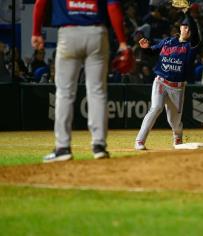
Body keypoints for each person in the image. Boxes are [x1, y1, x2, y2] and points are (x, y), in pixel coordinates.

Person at [32, 0, 130, 162]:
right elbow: (113, 7)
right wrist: (122, 42)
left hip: (68, 34)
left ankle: (63, 147)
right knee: (97, 92)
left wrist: (36, 31)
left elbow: (40, 3)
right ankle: (99, 145)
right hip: (97, 33)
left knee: (64, 93)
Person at [134, 6, 201, 150]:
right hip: (161, 81)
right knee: (155, 108)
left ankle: (177, 136)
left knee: (174, 121)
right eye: (185, 27)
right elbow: (152, 53)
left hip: (177, 87)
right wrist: (145, 48)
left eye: (190, 28)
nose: (187, 30)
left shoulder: (192, 46)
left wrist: (188, 14)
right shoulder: (168, 42)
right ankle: (139, 141)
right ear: (180, 28)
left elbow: (195, 32)